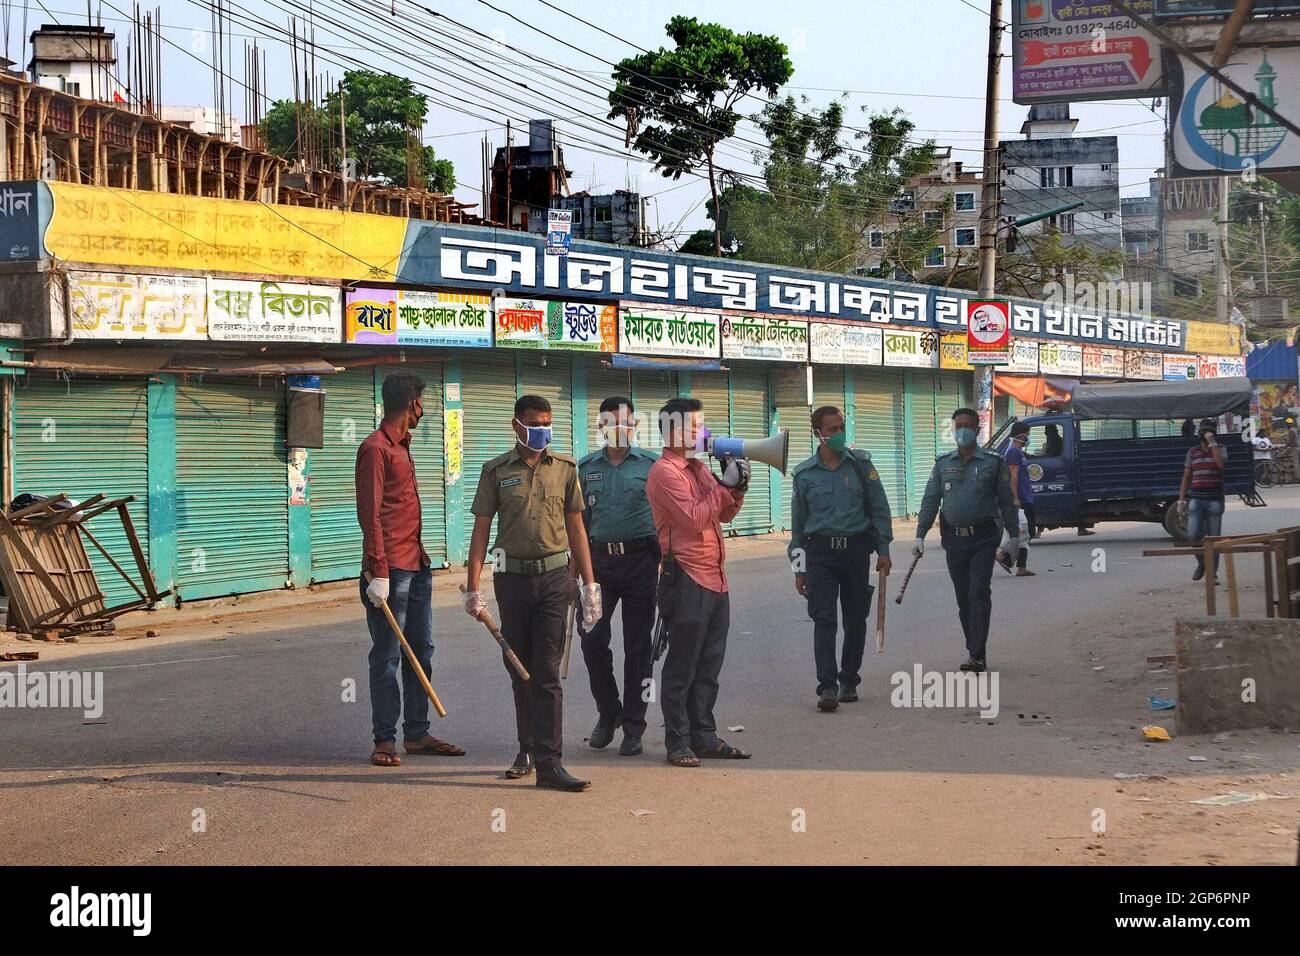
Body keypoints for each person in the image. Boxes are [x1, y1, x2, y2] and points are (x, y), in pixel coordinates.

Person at [464, 394, 601, 792]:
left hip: (556, 580)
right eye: (534, 423)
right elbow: (481, 530)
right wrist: (473, 588)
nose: (542, 430)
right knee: (519, 668)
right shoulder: (495, 472)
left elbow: (576, 528)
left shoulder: (565, 469)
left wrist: (590, 584)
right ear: (516, 425)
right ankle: (525, 747)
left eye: (547, 423)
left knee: (547, 672)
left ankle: (550, 763)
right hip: (511, 579)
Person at [356, 371, 464, 767]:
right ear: (413, 404)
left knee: (422, 649)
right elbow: (370, 515)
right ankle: (385, 739)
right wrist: (378, 572)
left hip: (416, 565)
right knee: (386, 654)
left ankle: (416, 733)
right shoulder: (376, 449)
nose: (424, 410)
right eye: (423, 402)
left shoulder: (403, 447)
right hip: (391, 572)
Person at [646, 396, 751, 767]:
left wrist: (736, 488)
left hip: (715, 576)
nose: (703, 434)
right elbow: (693, 518)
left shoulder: (697, 468)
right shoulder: (665, 472)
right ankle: (677, 740)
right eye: (695, 427)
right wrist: (724, 488)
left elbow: (722, 516)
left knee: (709, 664)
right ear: (674, 431)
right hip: (685, 576)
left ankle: (704, 734)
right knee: (683, 664)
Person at [788, 405, 893, 711]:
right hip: (819, 554)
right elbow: (797, 528)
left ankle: (849, 679)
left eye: (841, 427)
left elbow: (879, 508)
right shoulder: (804, 474)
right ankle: (827, 687)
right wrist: (799, 569)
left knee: (855, 619)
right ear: (817, 433)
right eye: (831, 429)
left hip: (856, 551)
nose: (838, 434)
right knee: (824, 620)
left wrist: (883, 549)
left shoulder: (860, 465)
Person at [577, 396, 659, 757]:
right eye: (612, 423)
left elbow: (666, 518)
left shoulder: (653, 466)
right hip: (599, 566)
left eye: (626, 423)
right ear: (600, 427)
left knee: (639, 647)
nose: (620, 430)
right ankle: (608, 711)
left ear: (636, 426)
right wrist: (576, 574)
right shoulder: (585, 468)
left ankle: (634, 725)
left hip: (642, 562)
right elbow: (578, 525)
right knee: (591, 638)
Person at [913, 407, 1018, 673]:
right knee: (963, 598)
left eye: (967, 425)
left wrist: (1013, 537)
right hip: (954, 540)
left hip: (983, 538)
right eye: (957, 425)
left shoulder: (993, 463)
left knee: (978, 591)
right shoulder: (943, 463)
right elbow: (930, 500)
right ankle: (973, 647)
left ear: (977, 429)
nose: (962, 430)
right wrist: (920, 535)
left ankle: (977, 654)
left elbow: (1007, 502)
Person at [1178, 417, 1227, 583]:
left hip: (1215, 501)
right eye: (1205, 432)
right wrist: (1181, 500)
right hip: (1196, 501)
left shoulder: (1221, 449)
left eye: (1210, 432)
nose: (1207, 434)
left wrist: (1212, 444)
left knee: (1213, 539)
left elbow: (1220, 465)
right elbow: (1186, 476)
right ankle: (1202, 564)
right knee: (1193, 536)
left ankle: (1212, 574)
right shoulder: (1192, 452)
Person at [1002, 423, 1038, 561]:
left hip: (1026, 495)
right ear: (1021, 435)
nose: (1028, 437)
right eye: (1027, 434)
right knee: (1026, 531)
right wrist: (1015, 497)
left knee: (1026, 532)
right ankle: (1003, 555)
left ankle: (1021, 567)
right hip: (1021, 497)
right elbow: (1013, 475)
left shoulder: (1018, 452)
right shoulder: (1012, 452)